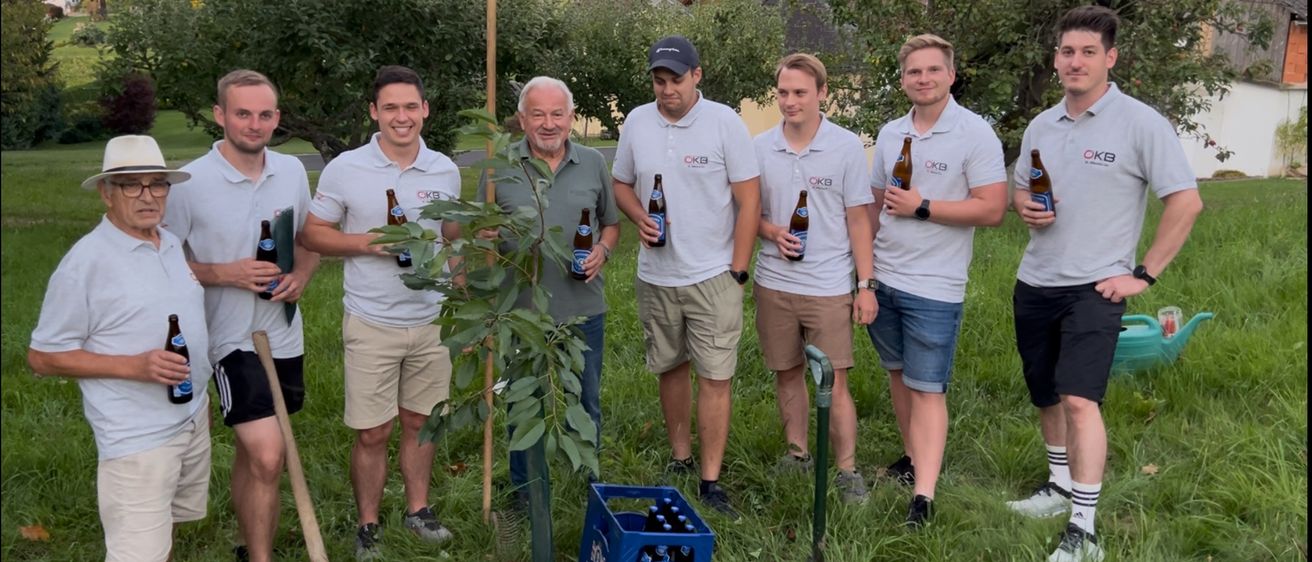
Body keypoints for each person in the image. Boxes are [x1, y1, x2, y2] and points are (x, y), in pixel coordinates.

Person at [1006, 7, 1203, 562]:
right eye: (1067, 52)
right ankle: (1058, 485)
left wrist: (1144, 274)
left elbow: (1186, 201)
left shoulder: (1141, 123)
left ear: (1110, 58)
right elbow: (1021, 192)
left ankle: (1084, 528)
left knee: (1079, 399)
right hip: (1035, 280)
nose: (1075, 61)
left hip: (1097, 287)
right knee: (1044, 392)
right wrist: (1029, 209)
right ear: (1056, 59)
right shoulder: (1042, 124)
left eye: (1088, 52)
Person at [301, 65, 461, 560]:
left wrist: (462, 295)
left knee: (421, 421)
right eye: (390, 107)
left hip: (432, 319)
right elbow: (313, 233)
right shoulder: (346, 168)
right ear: (374, 112)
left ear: (425, 110)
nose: (402, 116)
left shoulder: (444, 169)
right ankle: (368, 523)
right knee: (374, 430)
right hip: (372, 320)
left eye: (411, 106)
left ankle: (418, 510)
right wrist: (367, 244)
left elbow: (451, 236)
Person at [28, 135, 210, 562]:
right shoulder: (87, 262)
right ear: (106, 194)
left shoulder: (166, 242)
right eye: (132, 185)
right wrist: (135, 366)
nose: (147, 196)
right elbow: (42, 357)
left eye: (157, 184)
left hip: (190, 416)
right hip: (136, 439)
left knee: (166, 532)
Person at [163, 69, 321, 562]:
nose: (254, 124)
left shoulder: (292, 170)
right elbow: (161, 264)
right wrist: (222, 272)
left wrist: (303, 276)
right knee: (271, 453)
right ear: (220, 115)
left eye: (265, 114)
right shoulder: (188, 183)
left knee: (257, 456)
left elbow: (306, 239)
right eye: (243, 113)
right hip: (227, 340)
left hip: (283, 333)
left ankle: (249, 544)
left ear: (277, 118)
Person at [612, 35, 761, 518]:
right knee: (670, 368)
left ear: (697, 75)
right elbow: (620, 184)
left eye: (675, 79)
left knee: (715, 376)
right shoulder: (637, 121)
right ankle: (681, 458)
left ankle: (711, 481)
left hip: (713, 274)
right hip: (655, 275)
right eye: (659, 80)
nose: (666, 89)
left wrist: (738, 269)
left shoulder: (724, 124)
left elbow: (749, 200)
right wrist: (638, 217)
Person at [867, 33, 1009, 528]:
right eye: (913, 72)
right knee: (899, 374)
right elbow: (873, 206)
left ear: (951, 75)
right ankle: (911, 460)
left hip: (935, 284)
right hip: (884, 276)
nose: (922, 79)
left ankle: (923, 498)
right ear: (903, 78)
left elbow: (993, 209)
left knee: (928, 387)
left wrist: (923, 207)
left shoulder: (974, 133)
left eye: (932, 70)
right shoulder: (890, 134)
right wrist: (863, 275)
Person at [477, 76, 620, 492]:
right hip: (521, 313)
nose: (548, 123)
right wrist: (477, 232)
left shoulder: (593, 162)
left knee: (584, 400)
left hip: (583, 308)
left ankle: (587, 485)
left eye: (557, 114)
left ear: (571, 118)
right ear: (522, 120)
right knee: (524, 404)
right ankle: (524, 491)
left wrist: (603, 251)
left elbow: (611, 225)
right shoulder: (499, 165)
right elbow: (460, 226)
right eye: (537, 114)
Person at [751, 53, 876, 503]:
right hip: (774, 282)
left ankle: (846, 471)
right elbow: (751, 215)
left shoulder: (844, 147)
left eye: (800, 92)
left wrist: (865, 285)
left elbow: (859, 220)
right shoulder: (760, 147)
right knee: (786, 373)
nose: (790, 101)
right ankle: (797, 453)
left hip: (827, 285)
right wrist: (771, 232)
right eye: (783, 93)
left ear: (823, 93)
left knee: (833, 379)